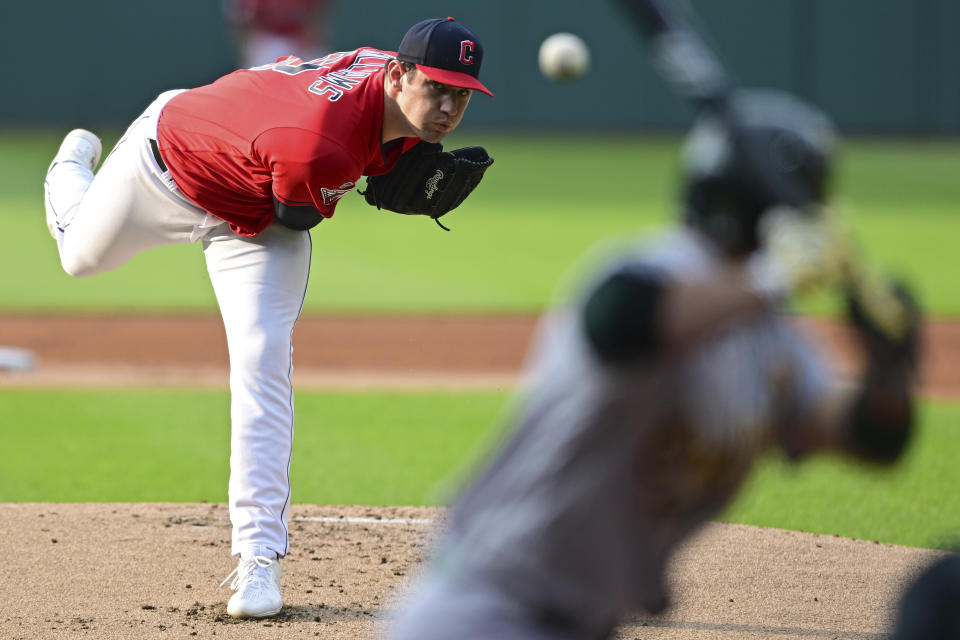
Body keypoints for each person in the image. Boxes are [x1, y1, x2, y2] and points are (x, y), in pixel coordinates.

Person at [388, 89, 922, 639]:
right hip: (485, 612)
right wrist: (772, 277)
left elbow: (869, 440)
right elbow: (617, 320)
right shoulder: (654, 270)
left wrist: (888, 373)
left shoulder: (773, 340)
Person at [42, 16, 493, 619]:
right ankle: (71, 171)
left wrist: (384, 160)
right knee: (78, 256)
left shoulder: (380, 88)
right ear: (397, 72)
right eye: (436, 88)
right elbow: (298, 209)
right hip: (165, 165)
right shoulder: (319, 146)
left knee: (262, 357)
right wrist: (379, 171)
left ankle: (258, 560)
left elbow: (301, 190)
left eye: (461, 94)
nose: (447, 106)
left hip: (252, 215)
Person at [223, 0, 336, 69]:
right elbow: (242, 22)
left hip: (299, 37)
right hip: (270, 39)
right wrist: (249, 48)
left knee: (322, 68)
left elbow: (318, 13)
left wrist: (314, 35)